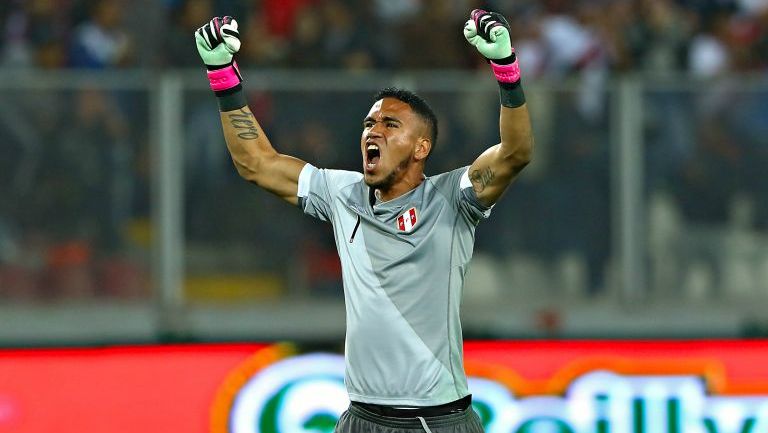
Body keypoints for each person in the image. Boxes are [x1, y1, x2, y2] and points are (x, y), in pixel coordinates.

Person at [195, 9, 533, 433]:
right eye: (369, 123)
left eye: (391, 125)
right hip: (360, 419)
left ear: (421, 146)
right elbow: (257, 165)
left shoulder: (451, 197)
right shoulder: (341, 194)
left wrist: (506, 70)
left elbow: (515, 153)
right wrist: (222, 74)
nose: (374, 131)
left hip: (435, 420)